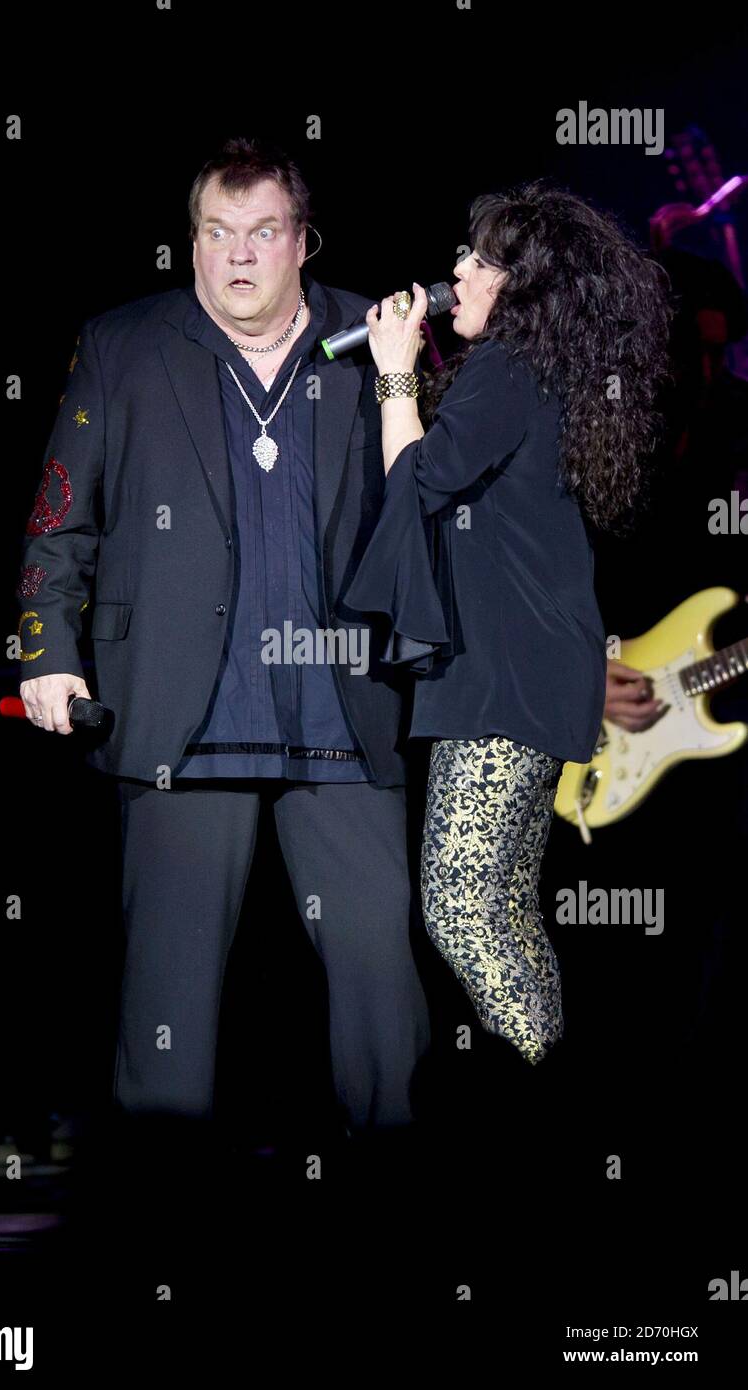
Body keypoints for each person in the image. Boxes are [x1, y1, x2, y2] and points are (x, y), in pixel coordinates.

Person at [16, 137, 430, 1140]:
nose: (236, 258)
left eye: (260, 234)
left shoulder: (368, 336)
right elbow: (56, 516)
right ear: (190, 242)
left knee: (380, 979)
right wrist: (47, 653)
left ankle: (400, 1194)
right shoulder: (123, 342)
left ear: (302, 242)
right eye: (214, 234)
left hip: (339, 707)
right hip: (178, 713)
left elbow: (429, 508)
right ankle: (158, 1218)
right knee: (167, 997)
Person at [346, 181, 672, 1064]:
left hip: (505, 676)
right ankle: (548, 1090)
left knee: (458, 905)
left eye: (478, 262)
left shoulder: (512, 367)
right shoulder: (535, 372)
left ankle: (540, 1096)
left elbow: (418, 482)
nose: (455, 272)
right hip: (529, 669)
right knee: (507, 911)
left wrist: (392, 373)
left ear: (519, 287)